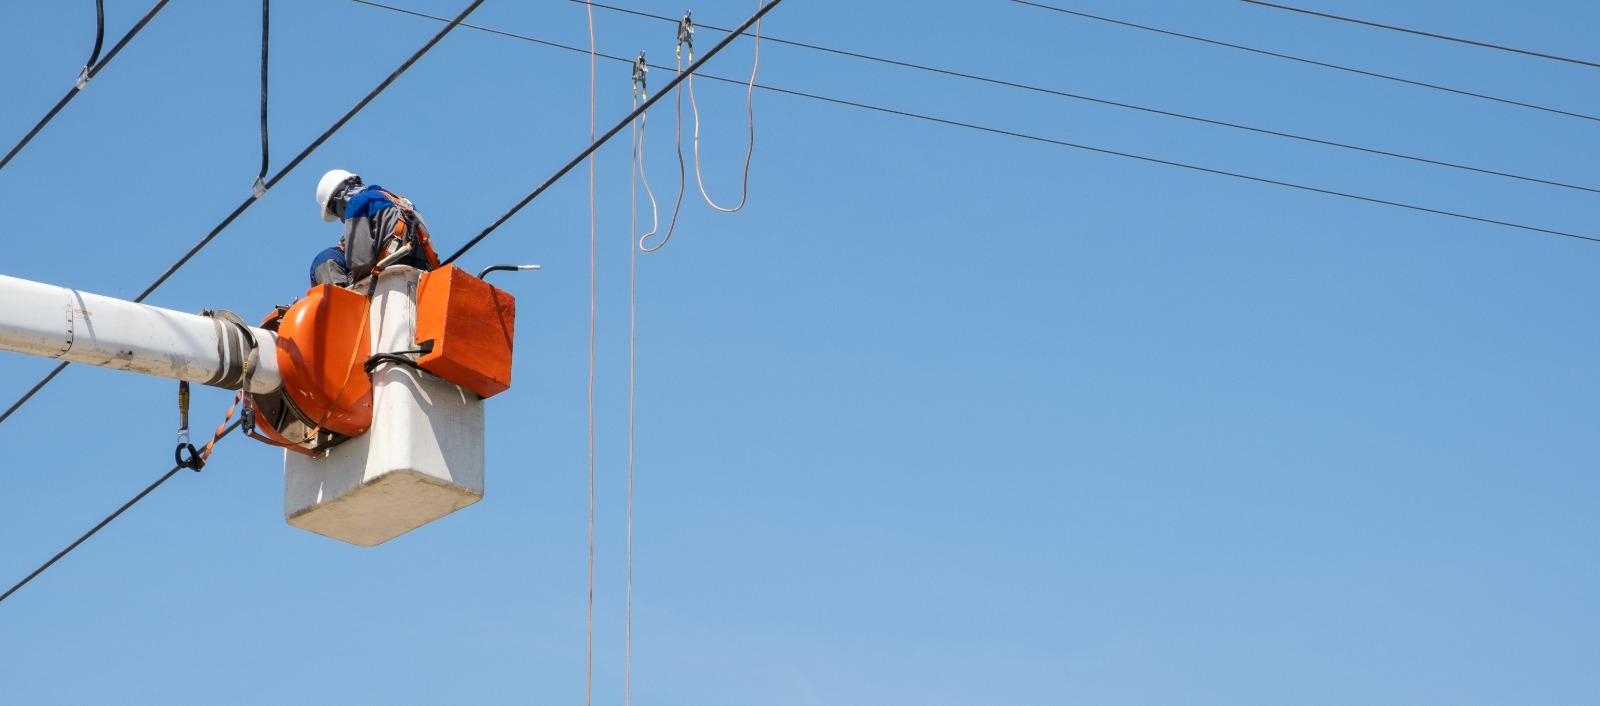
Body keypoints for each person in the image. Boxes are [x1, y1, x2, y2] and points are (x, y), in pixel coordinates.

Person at [309, 169, 440, 287]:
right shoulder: (401, 201)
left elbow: (360, 263)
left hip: (393, 278)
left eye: (337, 213)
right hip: (426, 276)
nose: (342, 220)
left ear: (338, 199)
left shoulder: (357, 204)